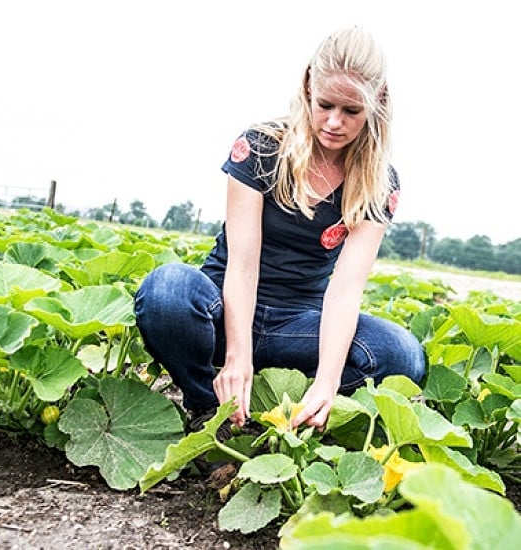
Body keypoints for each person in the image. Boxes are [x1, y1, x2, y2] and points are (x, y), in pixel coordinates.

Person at [134, 27, 425, 438]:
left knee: (404, 355)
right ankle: (208, 406)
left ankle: (295, 405)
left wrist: (327, 382)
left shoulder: (379, 182)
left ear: (376, 104)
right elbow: (242, 267)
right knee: (166, 292)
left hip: (299, 325)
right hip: (224, 307)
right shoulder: (260, 148)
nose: (334, 122)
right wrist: (237, 356)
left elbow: (344, 291)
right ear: (308, 85)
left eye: (351, 111)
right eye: (325, 104)